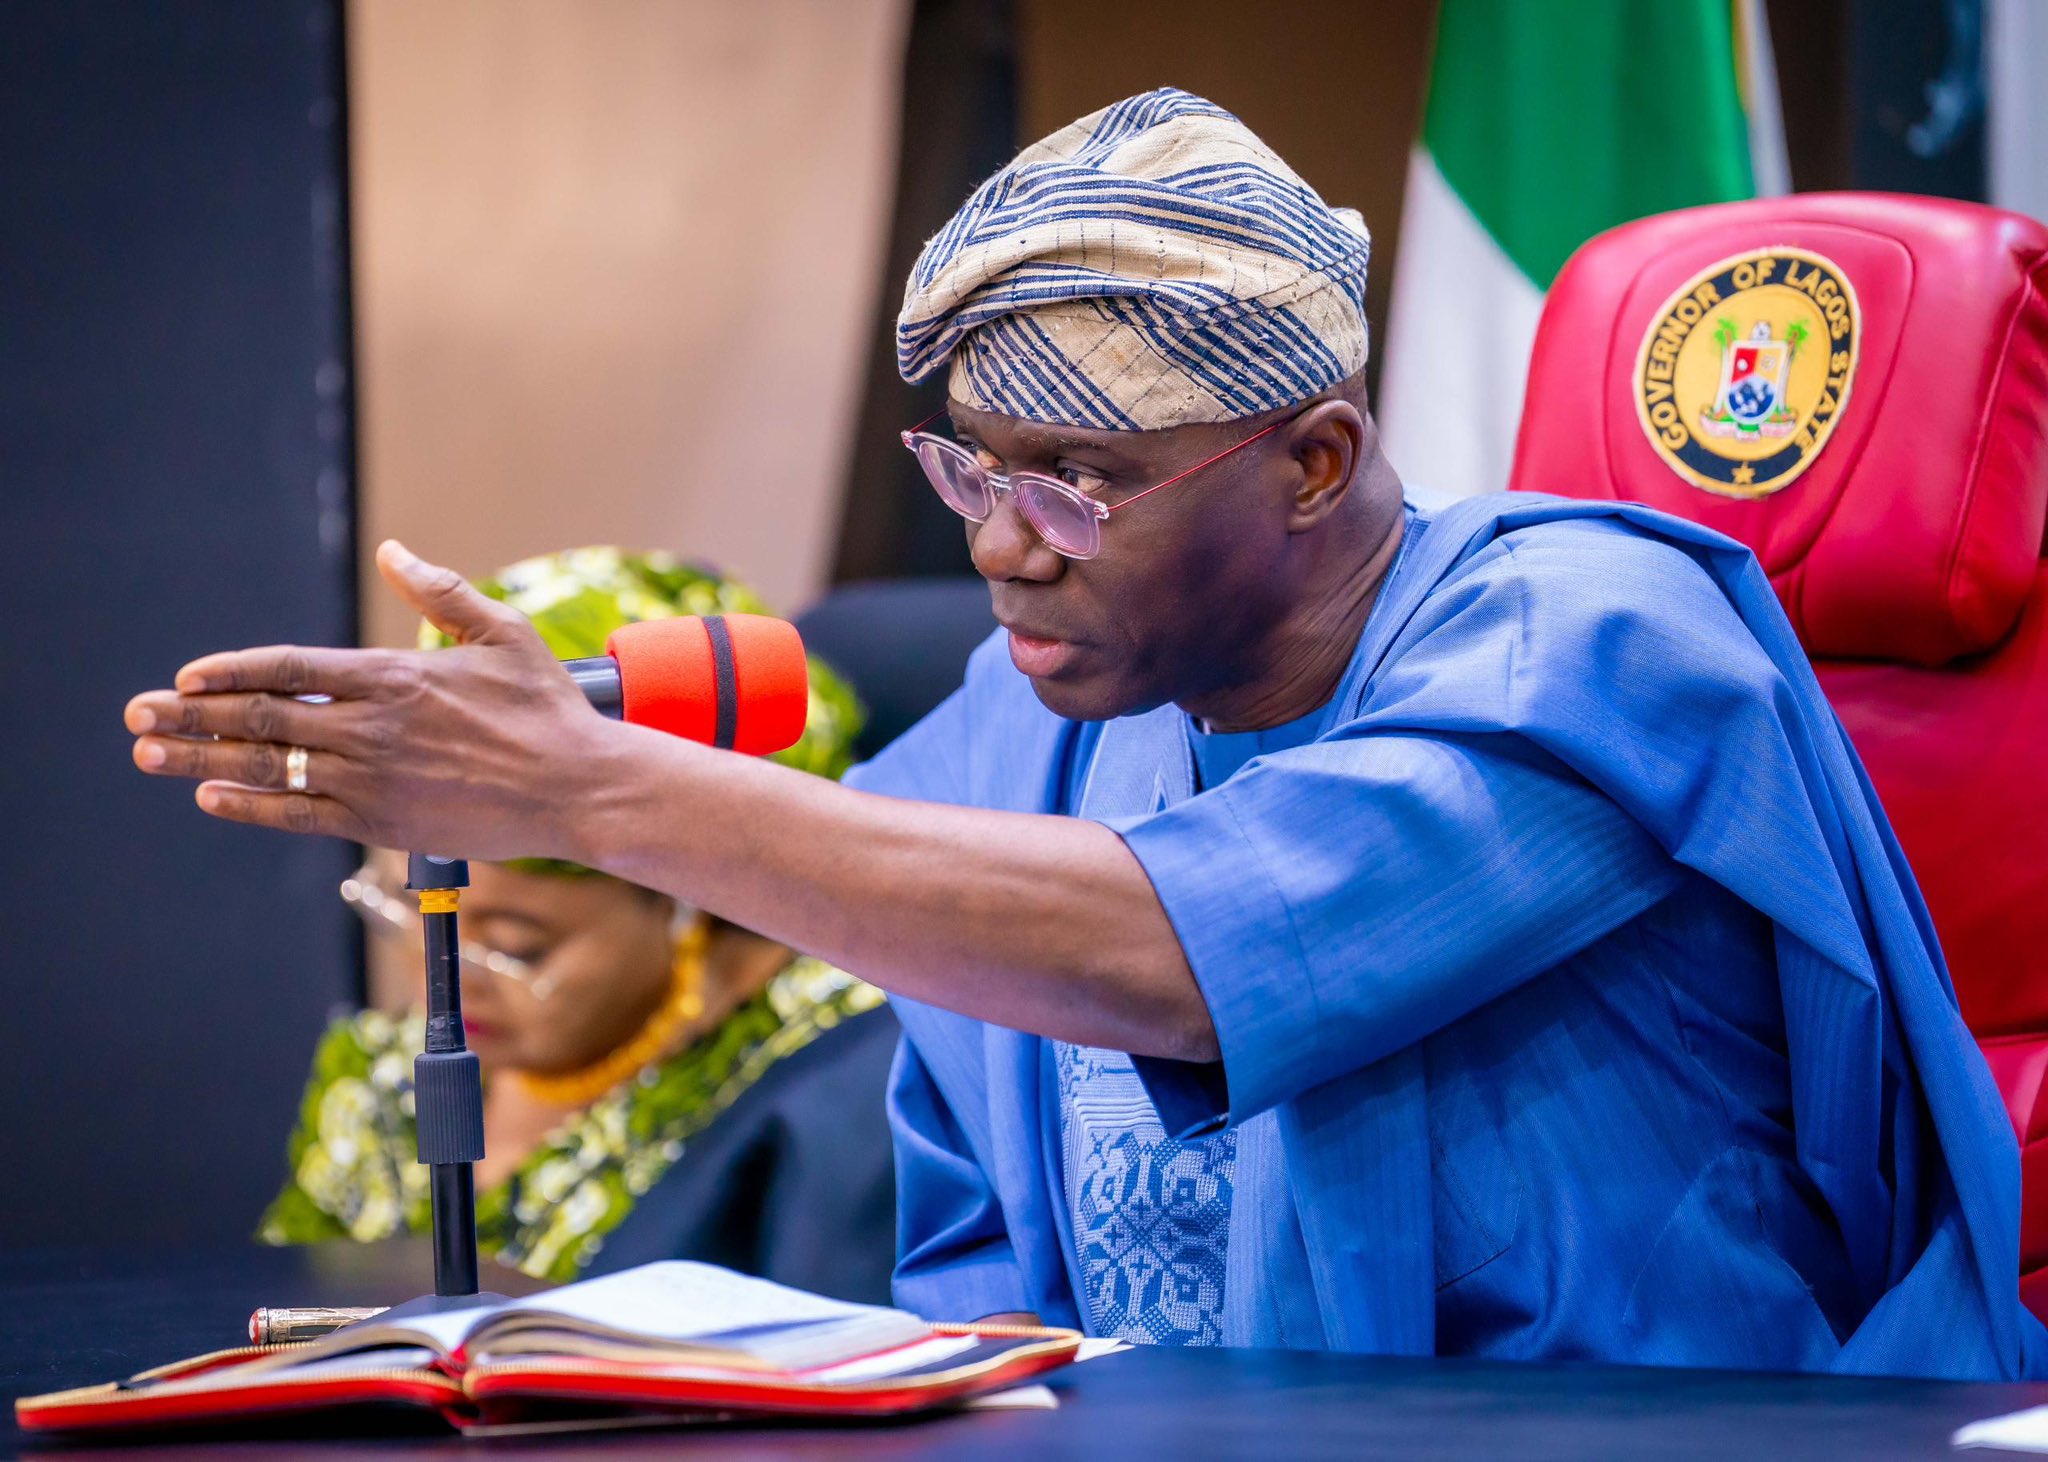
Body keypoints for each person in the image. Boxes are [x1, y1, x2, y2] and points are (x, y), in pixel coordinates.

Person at [125, 90, 2043, 1377]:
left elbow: (1187, 947)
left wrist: (589, 787)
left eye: (1074, 477)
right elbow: (970, 1247)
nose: (996, 542)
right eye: (966, 464)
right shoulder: (1023, 720)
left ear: (1313, 461)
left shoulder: (1595, 641)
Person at [256, 548, 898, 1299]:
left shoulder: (831, 1081)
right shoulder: (383, 1078)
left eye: (518, 946)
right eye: (417, 912)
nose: (447, 978)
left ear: (686, 897)